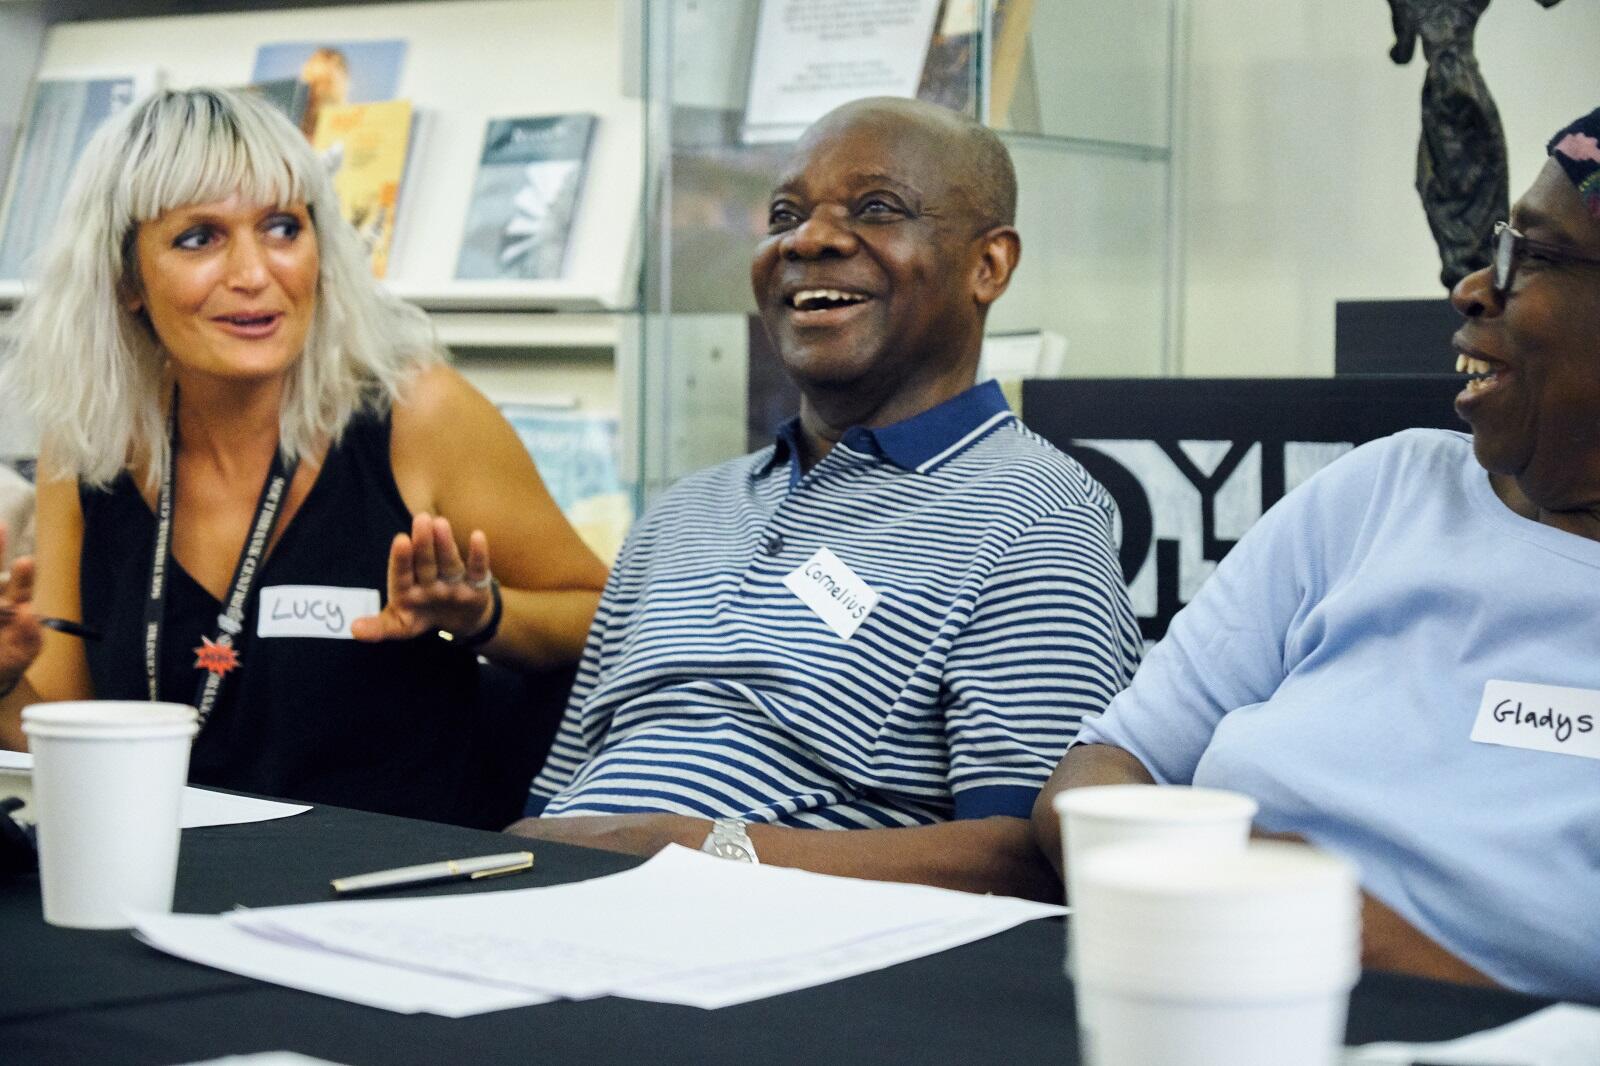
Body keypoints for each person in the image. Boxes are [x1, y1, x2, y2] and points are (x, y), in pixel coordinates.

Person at [508, 97, 1142, 901]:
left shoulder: (1034, 513)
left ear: (990, 266)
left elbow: (1033, 857)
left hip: (791, 953)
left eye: (878, 208)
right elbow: (552, 804)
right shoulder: (683, 512)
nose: (809, 239)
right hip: (556, 907)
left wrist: (700, 850)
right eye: (784, 214)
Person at [1033, 108, 1600, 1001]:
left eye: (1536, 257)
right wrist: (1225, 894)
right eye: (1501, 246)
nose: (1473, 288)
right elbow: (1104, 770)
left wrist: (1348, 939)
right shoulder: (1382, 494)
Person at [0, 88, 608, 826]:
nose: (255, 272)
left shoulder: (422, 416)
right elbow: (65, 742)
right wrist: (3, 683)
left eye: (282, 228)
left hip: (392, 891)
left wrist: (485, 615)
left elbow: (605, 621)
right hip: (168, 874)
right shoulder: (90, 445)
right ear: (127, 279)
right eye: (200, 238)